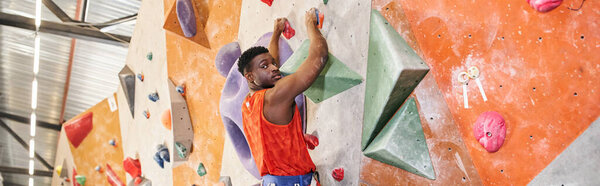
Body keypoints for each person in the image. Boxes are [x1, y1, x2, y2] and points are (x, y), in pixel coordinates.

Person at [238, 8, 328, 186]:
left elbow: (268, 68)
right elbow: (320, 57)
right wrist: (311, 25)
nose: (273, 68)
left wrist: (276, 34)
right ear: (249, 77)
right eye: (266, 66)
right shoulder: (275, 96)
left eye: (273, 63)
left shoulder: (248, 103)